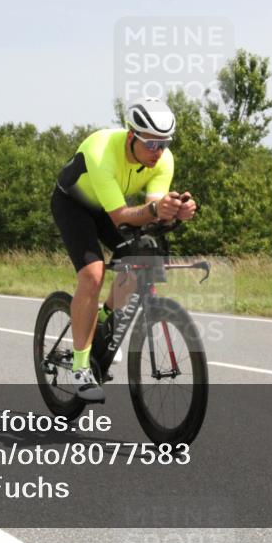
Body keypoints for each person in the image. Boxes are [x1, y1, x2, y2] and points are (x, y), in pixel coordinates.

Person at [51, 97, 198, 402]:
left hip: (110, 208)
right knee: (93, 275)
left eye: (165, 144)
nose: (158, 153)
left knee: (141, 257)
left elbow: (148, 214)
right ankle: (80, 366)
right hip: (74, 205)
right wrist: (157, 209)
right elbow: (121, 217)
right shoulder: (100, 150)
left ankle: (103, 321)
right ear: (132, 136)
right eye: (151, 144)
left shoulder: (163, 160)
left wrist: (173, 211)